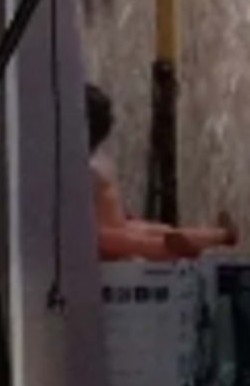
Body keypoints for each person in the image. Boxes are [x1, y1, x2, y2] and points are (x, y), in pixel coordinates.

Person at [88, 81, 236, 263]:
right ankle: (219, 235)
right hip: (117, 226)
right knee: (154, 232)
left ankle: (170, 250)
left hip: (105, 238)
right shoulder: (101, 161)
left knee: (139, 241)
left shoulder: (86, 168)